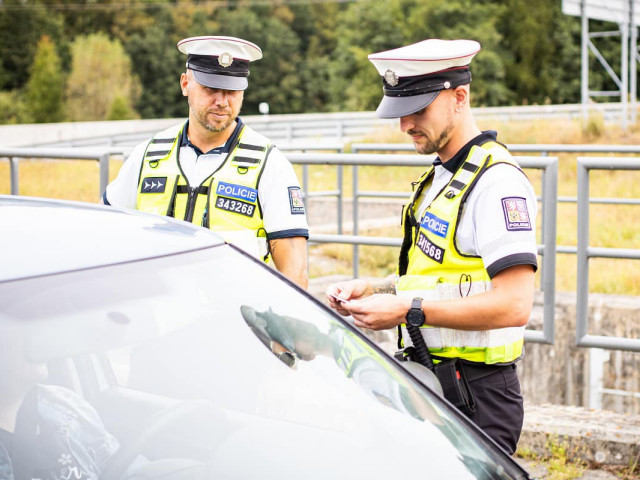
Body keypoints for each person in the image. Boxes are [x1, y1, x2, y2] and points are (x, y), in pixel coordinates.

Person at [326, 39, 538, 455]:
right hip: (433, 383)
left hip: (477, 396)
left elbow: (514, 304)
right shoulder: (440, 174)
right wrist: (376, 289)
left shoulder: (496, 183)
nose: (405, 126)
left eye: (417, 110)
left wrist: (407, 310)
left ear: (460, 98)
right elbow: (438, 278)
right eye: (400, 113)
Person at [103, 36, 309, 288]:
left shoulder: (269, 164)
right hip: (157, 314)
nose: (222, 101)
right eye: (210, 88)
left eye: (232, 91)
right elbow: (106, 234)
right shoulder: (148, 155)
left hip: (235, 317)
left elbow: (295, 275)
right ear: (185, 84)